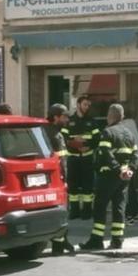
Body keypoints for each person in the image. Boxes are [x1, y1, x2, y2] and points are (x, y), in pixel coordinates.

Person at [80, 104, 138, 252]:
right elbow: (135, 154)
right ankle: (117, 240)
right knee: (119, 207)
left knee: (100, 207)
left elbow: (105, 153)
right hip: (124, 178)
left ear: (110, 116)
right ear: (122, 116)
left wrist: (117, 168)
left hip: (107, 176)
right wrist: (130, 169)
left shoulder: (107, 132)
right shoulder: (129, 134)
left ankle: (96, 240)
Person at [43, 104, 76, 256]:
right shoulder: (54, 135)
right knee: (61, 211)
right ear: (56, 117)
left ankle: (62, 241)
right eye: (64, 116)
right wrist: (64, 179)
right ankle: (58, 246)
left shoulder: (49, 131)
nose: (67, 119)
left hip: (54, 181)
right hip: (57, 181)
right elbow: (60, 162)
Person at [64, 95, 101, 219]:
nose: (87, 107)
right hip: (73, 158)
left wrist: (87, 146)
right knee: (72, 186)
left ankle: (87, 212)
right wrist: (74, 145)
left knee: (88, 186)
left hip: (87, 158)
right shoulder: (69, 121)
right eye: (85, 104)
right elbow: (63, 139)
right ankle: (74, 211)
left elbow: (97, 139)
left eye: (88, 105)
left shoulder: (92, 121)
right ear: (78, 104)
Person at [115, 107, 138, 224]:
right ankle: (134, 211)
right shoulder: (132, 124)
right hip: (133, 159)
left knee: (126, 188)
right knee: (130, 187)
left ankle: (130, 213)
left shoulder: (123, 126)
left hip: (125, 160)